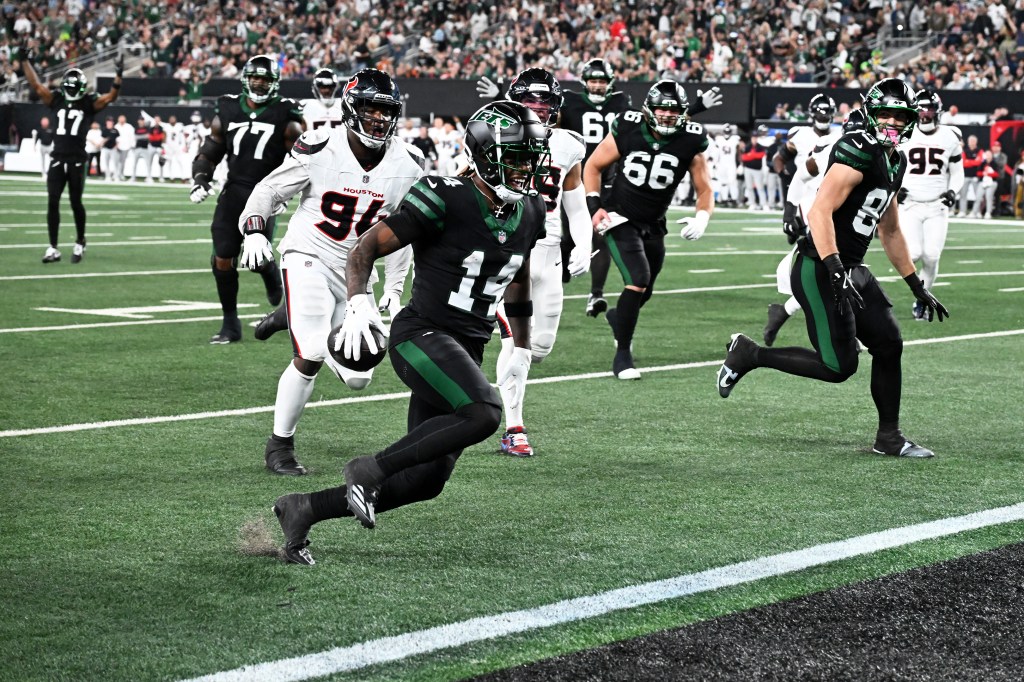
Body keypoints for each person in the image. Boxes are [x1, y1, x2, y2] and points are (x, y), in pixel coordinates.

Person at [271, 101, 550, 565]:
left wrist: (520, 342)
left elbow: (517, 276)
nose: (526, 167)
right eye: (516, 156)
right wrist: (360, 301)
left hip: (468, 347)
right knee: (483, 412)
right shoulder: (445, 193)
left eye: (529, 157)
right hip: (421, 335)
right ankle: (367, 468)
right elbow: (366, 246)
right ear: (484, 154)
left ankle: (304, 509)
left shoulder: (532, 211)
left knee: (426, 481)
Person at [717, 78, 950, 459]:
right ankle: (749, 354)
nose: (892, 121)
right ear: (871, 113)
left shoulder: (896, 158)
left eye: (900, 115)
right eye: (885, 114)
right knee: (839, 366)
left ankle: (889, 437)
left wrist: (915, 284)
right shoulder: (857, 148)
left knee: (890, 344)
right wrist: (835, 268)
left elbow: (889, 228)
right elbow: (819, 211)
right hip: (818, 265)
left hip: (850, 265)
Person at [240, 68, 424, 476]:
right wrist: (254, 230)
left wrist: (394, 288)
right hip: (309, 253)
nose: (378, 119)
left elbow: (403, 230)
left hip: (357, 275)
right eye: (370, 110)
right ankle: (279, 445)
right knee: (312, 351)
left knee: (359, 374)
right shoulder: (321, 145)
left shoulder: (409, 162)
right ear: (350, 109)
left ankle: (289, 313)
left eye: (385, 112)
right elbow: (269, 191)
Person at [583, 79, 715, 380]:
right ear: (648, 110)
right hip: (619, 217)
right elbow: (592, 166)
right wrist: (594, 206)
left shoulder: (691, 139)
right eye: (661, 109)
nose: (667, 115)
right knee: (638, 279)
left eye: (674, 110)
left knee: (647, 288)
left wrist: (702, 217)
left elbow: (705, 188)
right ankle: (622, 354)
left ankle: (619, 317)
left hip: (655, 222)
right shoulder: (628, 127)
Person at [492, 68, 592, 457]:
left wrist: (582, 243)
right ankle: (513, 429)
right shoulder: (492, 133)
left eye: (544, 102)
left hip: (548, 251)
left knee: (540, 347)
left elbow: (575, 202)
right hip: (507, 248)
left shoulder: (567, 144)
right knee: (517, 344)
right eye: (529, 100)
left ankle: (498, 377)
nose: (536, 108)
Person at [189, 54, 304, 344]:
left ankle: (269, 272)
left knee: (257, 257)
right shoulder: (227, 108)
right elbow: (211, 149)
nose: (259, 84)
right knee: (223, 257)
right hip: (234, 191)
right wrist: (201, 176)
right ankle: (230, 323)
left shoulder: (285, 113)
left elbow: (300, 158)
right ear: (245, 79)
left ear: (275, 83)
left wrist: (289, 190)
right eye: (255, 78)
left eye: (265, 79)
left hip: (265, 194)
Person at [764, 108, 864, 346]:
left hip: (847, 220)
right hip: (824, 215)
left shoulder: (879, 153)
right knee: (838, 274)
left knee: (838, 275)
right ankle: (850, 335)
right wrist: (790, 211)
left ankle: (782, 312)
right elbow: (800, 176)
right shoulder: (832, 147)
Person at [22, 57, 123, 263]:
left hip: (77, 159)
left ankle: (80, 241)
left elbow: (111, 96)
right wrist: (25, 61)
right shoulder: (57, 99)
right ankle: (53, 247)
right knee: (53, 201)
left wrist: (118, 76)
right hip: (58, 159)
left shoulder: (88, 103)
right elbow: (35, 85)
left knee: (76, 202)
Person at [897, 89, 963, 321]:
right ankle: (918, 292)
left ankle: (923, 298)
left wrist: (953, 191)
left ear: (938, 112)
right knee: (913, 252)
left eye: (929, 110)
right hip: (910, 204)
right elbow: (890, 164)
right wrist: (896, 188)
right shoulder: (905, 133)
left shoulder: (950, 136)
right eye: (921, 110)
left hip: (937, 205)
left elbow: (957, 173)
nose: (925, 115)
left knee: (932, 256)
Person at [958, 134, 984, 218]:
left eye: (973, 141)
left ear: (976, 142)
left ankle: (978, 212)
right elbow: (963, 163)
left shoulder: (980, 151)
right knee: (963, 194)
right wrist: (973, 162)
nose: (972, 143)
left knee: (978, 195)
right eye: (970, 141)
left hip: (976, 176)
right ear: (968, 142)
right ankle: (962, 211)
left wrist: (969, 162)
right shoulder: (964, 151)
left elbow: (979, 162)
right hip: (965, 175)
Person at [114, 114, 135, 181]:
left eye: (123, 118)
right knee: (116, 161)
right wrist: (115, 145)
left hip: (126, 147)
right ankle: (116, 174)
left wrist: (131, 146)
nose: (121, 120)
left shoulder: (129, 127)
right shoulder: (116, 126)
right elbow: (114, 137)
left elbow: (132, 137)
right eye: (120, 118)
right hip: (117, 146)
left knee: (122, 162)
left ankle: (121, 174)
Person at [33, 116, 53, 180]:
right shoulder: (40, 130)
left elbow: (54, 137)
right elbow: (37, 138)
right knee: (43, 160)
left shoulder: (51, 129)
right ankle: (43, 173)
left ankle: (50, 172)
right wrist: (34, 146)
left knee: (52, 160)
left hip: (49, 146)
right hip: (42, 146)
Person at [100, 116, 119, 182]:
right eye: (109, 121)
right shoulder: (104, 130)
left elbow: (118, 139)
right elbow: (102, 139)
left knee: (115, 163)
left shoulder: (115, 130)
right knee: (106, 163)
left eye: (111, 121)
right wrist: (105, 140)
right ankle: (108, 176)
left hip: (113, 148)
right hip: (106, 148)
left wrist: (116, 145)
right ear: (106, 122)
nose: (110, 122)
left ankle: (116, 176)